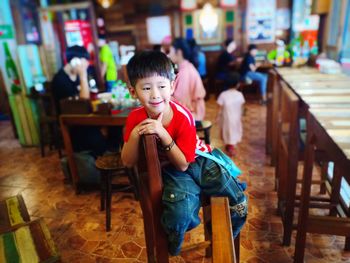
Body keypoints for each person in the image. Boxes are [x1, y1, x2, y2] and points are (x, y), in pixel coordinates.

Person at [121, 51, 247, 256]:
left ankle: (224, 235)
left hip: (196, 159)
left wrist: (162, 133)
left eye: (161, 86)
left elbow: (183, 164)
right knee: (180, 211)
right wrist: (136, 133)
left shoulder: (182, 116)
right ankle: (174, 241)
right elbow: (127, 161)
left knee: (236, 199)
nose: (155, 94)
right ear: (133, 92)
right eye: (146, 88)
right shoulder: (135, 118)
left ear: (172, 86)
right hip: (170, 169)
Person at [51, 45, 107, 157]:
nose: (87, 64)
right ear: (74, 61)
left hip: (83, 119)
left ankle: (105, 158)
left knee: (111, 130)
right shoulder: (60, 80)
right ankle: (95, 164)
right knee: (98, 138)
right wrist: (83, 76)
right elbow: (83, 102)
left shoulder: (75, 76)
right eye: (85, 61)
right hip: (72, 124)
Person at [168, 37, 206, 121]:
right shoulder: (187, 66)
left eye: (170, 51)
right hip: (192, 109)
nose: (169, 55)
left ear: (179, 52)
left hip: (193, 114)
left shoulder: (185, 72)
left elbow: (181, 100)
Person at [216, 73, 245, 157]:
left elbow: (219, 108)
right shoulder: (240, 95)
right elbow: (242, 107)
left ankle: (230, 147)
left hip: (226, 118)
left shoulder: (223, 95)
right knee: (234, 132)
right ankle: (230, 146)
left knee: (228, 132)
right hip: (236, 118)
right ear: (238, 84)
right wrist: (242, 116)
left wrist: (217, 117)